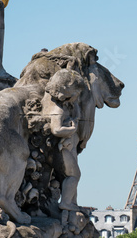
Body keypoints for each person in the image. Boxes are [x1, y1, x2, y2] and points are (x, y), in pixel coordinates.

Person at [42, 69, 85, 211]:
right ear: (66, 93)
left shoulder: (58, 105)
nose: (77, 97)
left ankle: (67, 201)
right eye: (76, 93)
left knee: (72, 174)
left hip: (59, 147)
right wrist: (72, 130)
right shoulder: (58, 110)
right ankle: (66, 202)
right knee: (74, 174)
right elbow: (57, 130)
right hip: (59, 149)